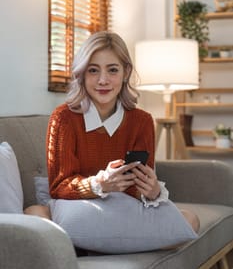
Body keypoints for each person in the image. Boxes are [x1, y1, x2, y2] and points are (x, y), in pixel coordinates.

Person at [24, 31, 199, 235]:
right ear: (82, 74)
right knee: (34, 212)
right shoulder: (64, 118)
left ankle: (93, 245)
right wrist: (100, 184)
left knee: (190, 219)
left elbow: (137, 192)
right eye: (93, 70)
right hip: (80, 211)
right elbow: (59, 187)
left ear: (126, 72)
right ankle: (99, 244)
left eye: (112, 70)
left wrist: (153, 192)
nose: (103, 80)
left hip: (123, 214)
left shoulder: (141, 121)